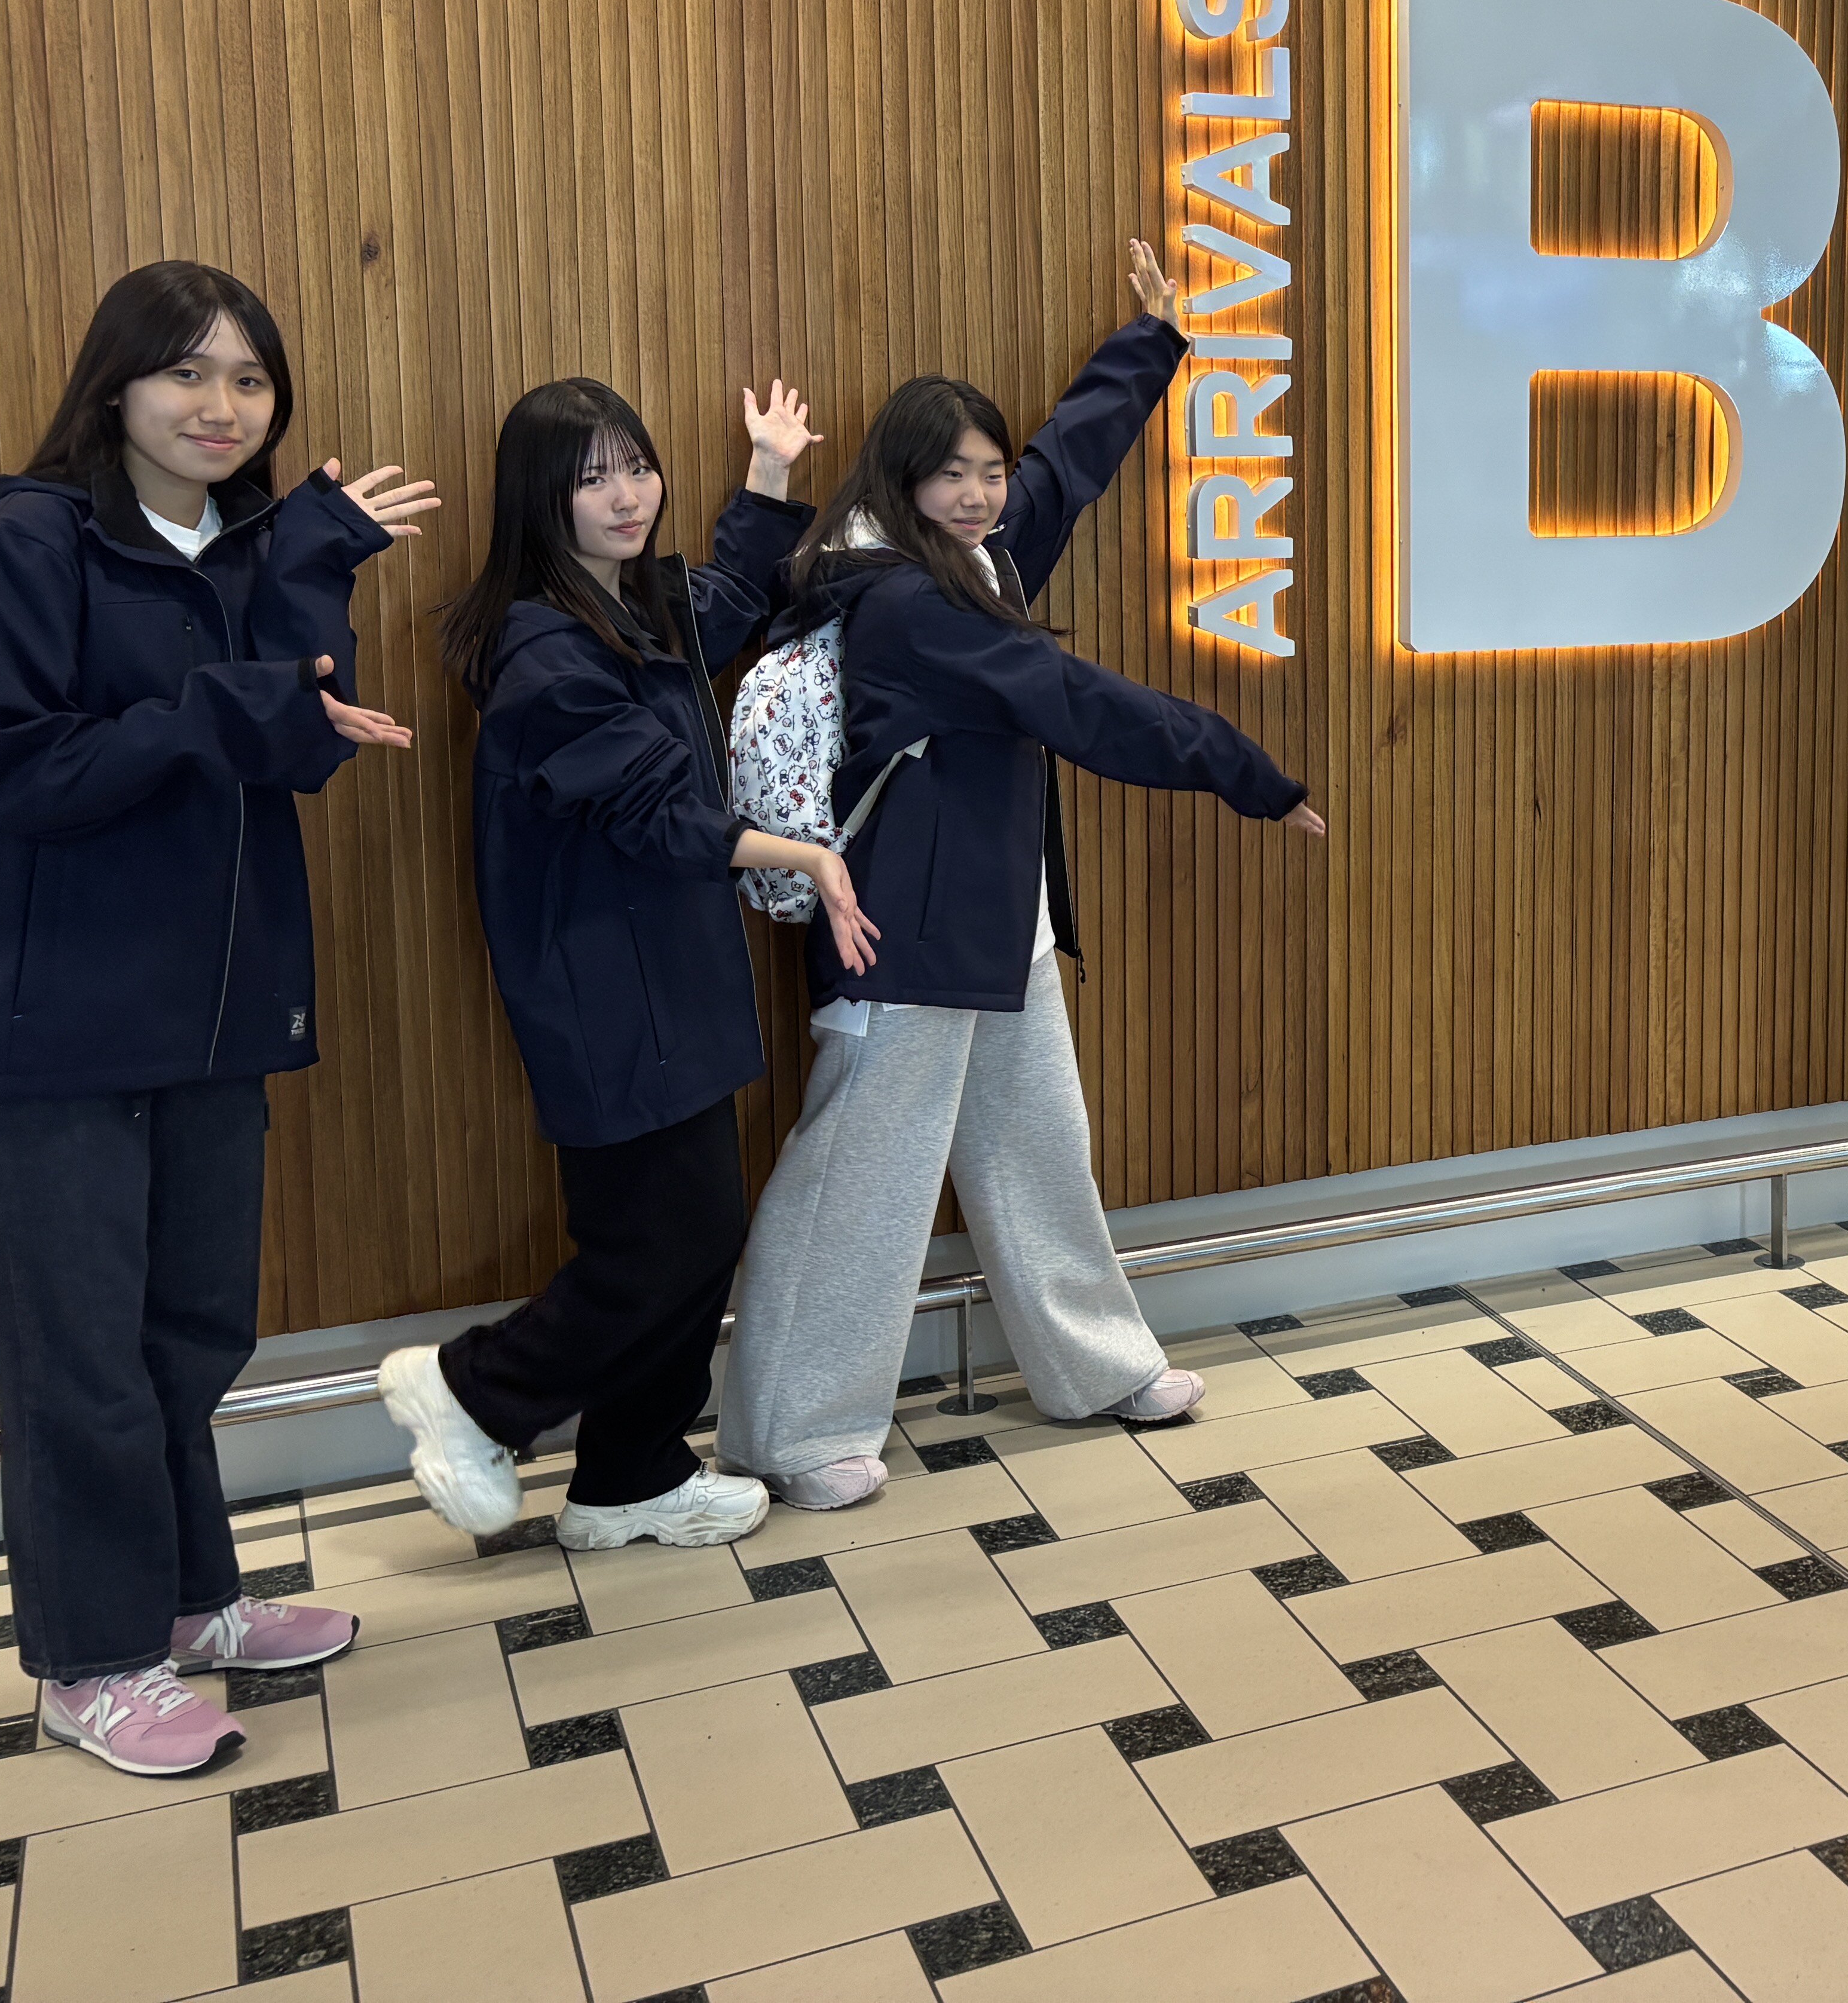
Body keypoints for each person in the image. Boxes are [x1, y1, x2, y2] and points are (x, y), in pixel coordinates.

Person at [0, 260, 434, 1778]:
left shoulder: (249, 551)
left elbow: (301, 744)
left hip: (211, 1016)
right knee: (79, 1359)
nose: (221, 406)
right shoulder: (24, 550)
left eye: (250, 379)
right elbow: (23, 771)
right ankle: (92, 1659)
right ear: (116, 385)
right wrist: (228, 708)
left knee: (190, 1332)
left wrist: (312, 575)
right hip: (51, 1024)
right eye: (187, 372)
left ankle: (194, 1602)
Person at [718, 240, 1323, 1510]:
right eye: (953, 475)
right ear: (902, 483)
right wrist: (1244, 769)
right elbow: (1074, 700)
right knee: (860, 1181)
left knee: (1041, 1149)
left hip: (1002, 922)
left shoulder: (978, 558)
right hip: (900, 934)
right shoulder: (904, 603)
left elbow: (1066, 463)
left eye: (987, 472)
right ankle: (793, 1431)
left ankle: (1094, 1368)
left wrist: (1152, 345)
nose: (984, 494)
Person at [374, 379, 883, 1551]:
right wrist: (806, 854)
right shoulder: (539, 646)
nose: (626, 496)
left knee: (693, 1238)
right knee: (660, 1245)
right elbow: (651, 810)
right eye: (591, 477)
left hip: (673, 973)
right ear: (538, 498)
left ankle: (630, 1475)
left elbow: (728, 596)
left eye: (636, 467)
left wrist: (767, 473)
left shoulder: (636, 600)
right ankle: (472, 1388)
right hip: (605, 986)